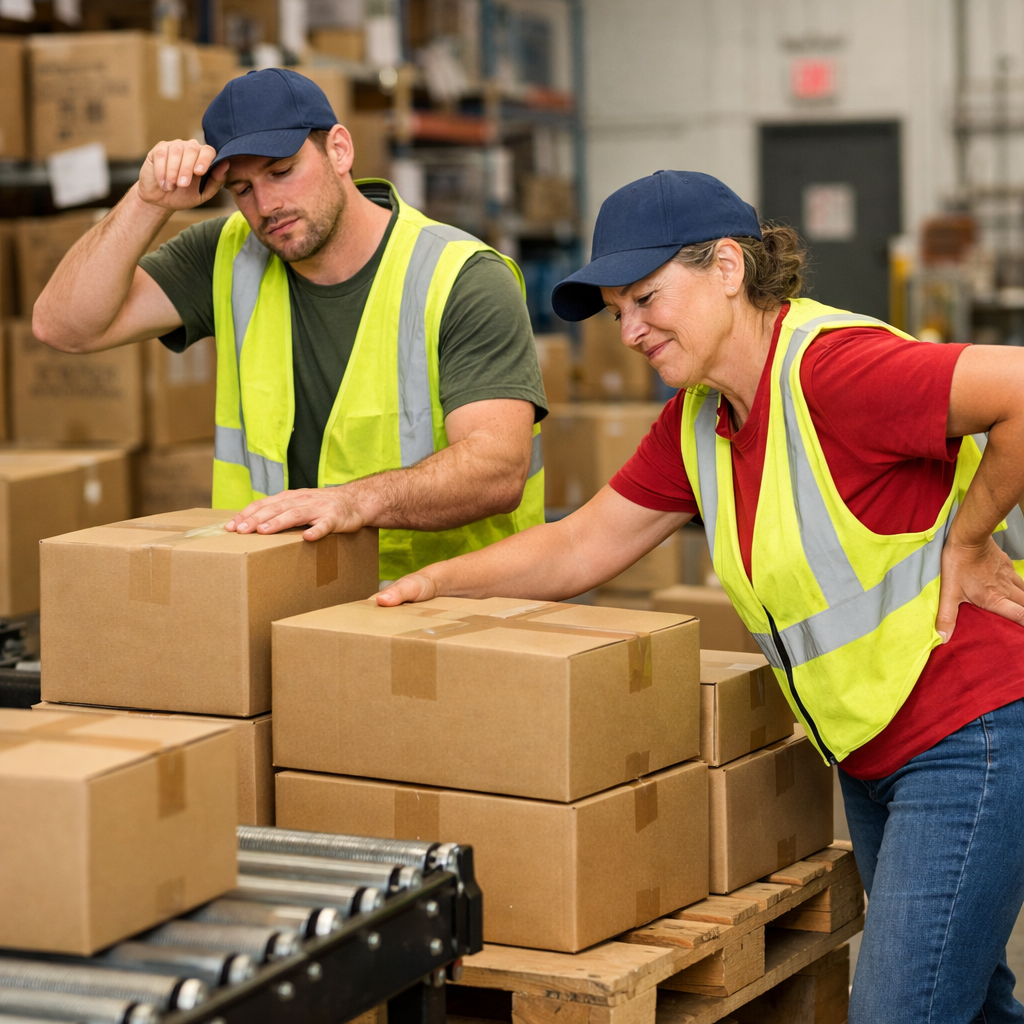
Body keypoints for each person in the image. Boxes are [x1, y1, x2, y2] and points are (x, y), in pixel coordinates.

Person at [377, 169, 1024, 1023]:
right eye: (617, 314)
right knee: (967, 1006)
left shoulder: (833, 370)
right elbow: (580, 545)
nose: (632, 332)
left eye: (646, 298)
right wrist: (430, 582)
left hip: (968, 735)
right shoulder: (700, 420)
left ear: (727, 266)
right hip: (874, 752)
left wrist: (970, 537)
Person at [32, 68, 547, 584]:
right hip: (281, 599)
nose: (266, 205)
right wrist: (147, 202)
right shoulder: (229, 252)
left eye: (282, 171)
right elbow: (65, 327)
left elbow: (497, 470)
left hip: (445, 610)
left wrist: (353, 500)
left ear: (339, 150)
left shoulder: (460, 277)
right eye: (242, 187)